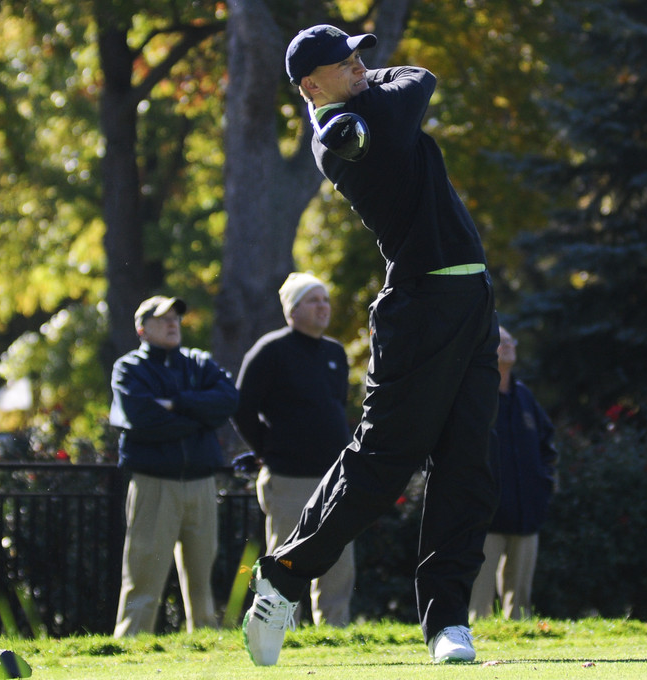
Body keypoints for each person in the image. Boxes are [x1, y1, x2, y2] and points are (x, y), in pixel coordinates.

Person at [241, 24, 501, 666]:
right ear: (311, 86)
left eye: (359, 55)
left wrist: (359, 84)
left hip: (470, 296)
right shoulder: (346, 134)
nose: (359, 64)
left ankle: (447, 622)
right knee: (384, 461)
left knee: (467, 462)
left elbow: (409, 80)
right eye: (344, 62)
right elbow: (418, 80)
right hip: (421, 304)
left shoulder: (363, 107)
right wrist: (362, 93)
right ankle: (283, 578)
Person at [109, 295, 239, 637]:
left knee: (202, 579)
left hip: (201, 483)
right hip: (154, 484)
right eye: (162, 319)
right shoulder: (129, 368)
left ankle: (204, 645)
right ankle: (131, 646)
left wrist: (177, 403)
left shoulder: (199, 363)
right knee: (143, 575)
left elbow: (229, 400)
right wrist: (201, 419)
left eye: (175, 318)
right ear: (142, 329)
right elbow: (142, 418)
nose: (172, 324)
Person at [232, 272, 355, 627]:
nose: (323, 306)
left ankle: (335, 631)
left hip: (335, 477)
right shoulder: (270, 350)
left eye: (325, 300)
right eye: (313, 300)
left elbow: (337, 406)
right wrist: (267, 449)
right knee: (286, 559)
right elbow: (242, 407)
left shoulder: (335, 353)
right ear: (292, 310)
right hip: (288, 476)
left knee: (340, 560)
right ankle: (280, 629)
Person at [468, 327, 558, 621]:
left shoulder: (524, 397)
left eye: (510, 341)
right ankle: (473, 639)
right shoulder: (476, 395)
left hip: (526, 515)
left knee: (520, 604)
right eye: (500, 342)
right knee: (477, 604)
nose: (507, 346)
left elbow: (547, 445)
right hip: (485, 517)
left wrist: (544, 483)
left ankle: (520, 637)